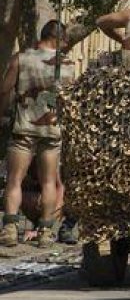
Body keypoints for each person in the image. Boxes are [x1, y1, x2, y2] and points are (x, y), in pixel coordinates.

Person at [0, 20, 75, 248]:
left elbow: (5, 90)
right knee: (49, 182)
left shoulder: (21, 59)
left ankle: (10, 229)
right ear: (57, 38)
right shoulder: (68, 65)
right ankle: (45, 232)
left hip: (24, 129)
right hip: (52, 132)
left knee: (14, 180)